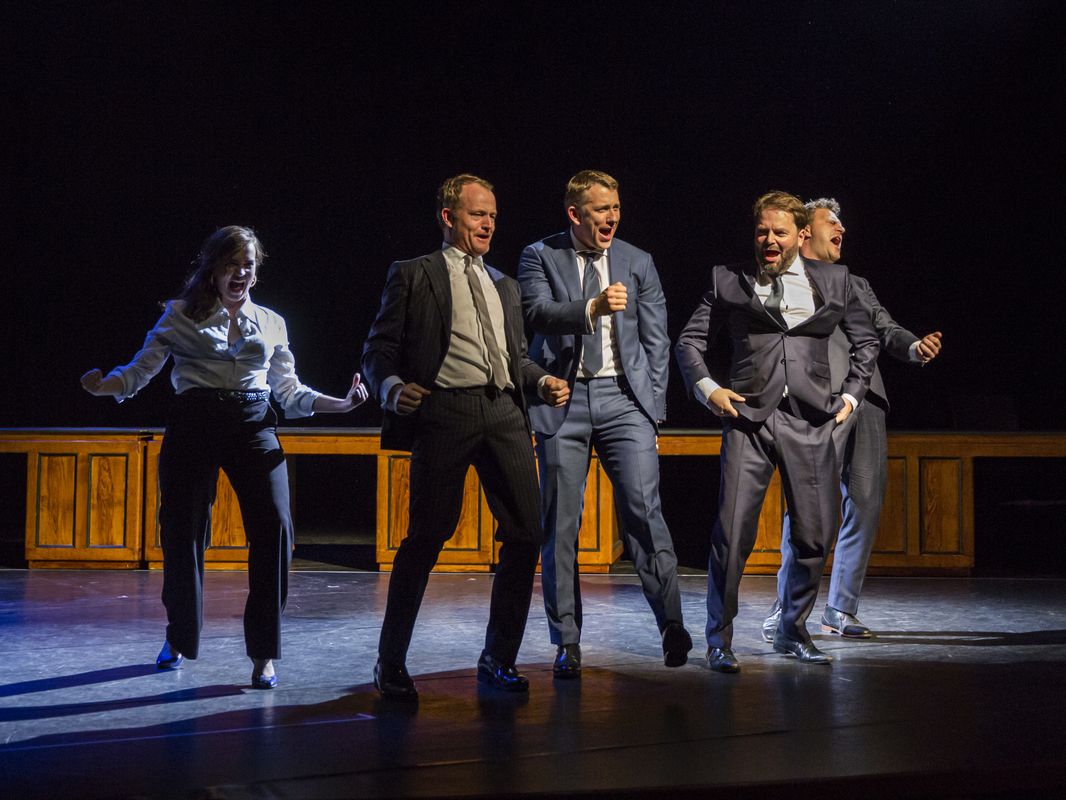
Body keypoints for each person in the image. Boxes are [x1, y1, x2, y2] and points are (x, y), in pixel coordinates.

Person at [81, 225, 369, 689]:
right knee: (182, 530)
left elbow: (289, 391)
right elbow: (139, 370)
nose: (240, 273)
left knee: (275, 527)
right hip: (194, 422)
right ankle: (179, 636)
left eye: (248, 265)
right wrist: (104, 385)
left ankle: (264, 652)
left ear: (257, 272)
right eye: (232, 264)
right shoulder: (179, 315)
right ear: (213, 269)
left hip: (253, 423)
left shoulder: (272, 322)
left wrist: (343, 404)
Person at [361, 174, 570, 699]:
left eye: (493, 216)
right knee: (427, 537)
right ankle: (391, 661)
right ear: (448, 217)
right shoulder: (414, 273)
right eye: (478, 214)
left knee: (526, 533)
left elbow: (515, 359)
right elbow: (378, 350)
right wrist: (391, 387)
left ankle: (498, 657)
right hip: (445, 412)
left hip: (504, 413)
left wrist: (540, 381)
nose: (488, 224)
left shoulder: (505, 285)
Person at [674, 191, 879, 672]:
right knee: (732, 535)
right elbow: (688, 342)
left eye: (779, 232)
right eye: (762, 231)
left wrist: (851, 398)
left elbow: (866, 342)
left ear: (801, 235)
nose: (769, 240)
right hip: (748, 420)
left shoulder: (835, 280)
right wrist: (710, 390)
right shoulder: (728, 279)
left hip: (811, 421)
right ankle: (719, 639)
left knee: (813, 535)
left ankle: (792, 630)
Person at [518, 170, 691, 679]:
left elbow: (657, 340)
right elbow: (537, 312)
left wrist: (652, 410)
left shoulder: (638, 261)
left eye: (615, 207)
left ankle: (672, 624)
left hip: (624, 401)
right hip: (563, 399)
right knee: (561, 524)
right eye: (601, 210)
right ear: (575, 213)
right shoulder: (540, 255)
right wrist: (591, 307)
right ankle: (567, 641)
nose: (611, 217)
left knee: (644, 512)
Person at [761, 199, 942, 641]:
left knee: (864, 503)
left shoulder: (855, 283)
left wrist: (914, 347)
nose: (841, 228)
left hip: (867, 401)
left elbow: (886, 327)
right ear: (806, 232)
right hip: (818, 402)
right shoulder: (783, 279)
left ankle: (840, 608)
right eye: (832, 222)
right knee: (807, 506)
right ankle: (786, 605)